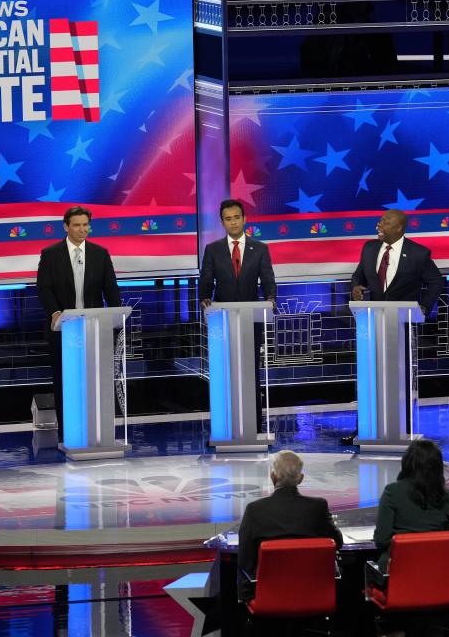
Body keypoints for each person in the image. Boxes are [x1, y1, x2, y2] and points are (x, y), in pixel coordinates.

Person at [342, 208, 443, 445]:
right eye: (379, 221)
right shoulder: (369, 249)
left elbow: (436, 281)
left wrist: (425, 307)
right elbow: (358, 277)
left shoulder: (418, 254)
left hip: (401, 326)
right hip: (372, 324)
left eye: (385, 222)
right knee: (369, 378)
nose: (379, 225)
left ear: (399, 228)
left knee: (402, 379)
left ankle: (403, 430)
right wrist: (356, 287)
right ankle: (364, 430)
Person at [37, 206, 121, 441]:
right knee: (65, 383)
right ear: (66, 226)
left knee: (95, 381)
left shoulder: (100, 253)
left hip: (94, 330)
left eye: (85, 225)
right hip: (62, 331)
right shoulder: (50, 254)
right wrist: (55, 312)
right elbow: (43, 288)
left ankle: (98, 433)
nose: (82, 229)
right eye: (76, 225)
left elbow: (111, 290)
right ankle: (69, 436)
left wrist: (115, 316)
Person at [198, 199, 277, 432]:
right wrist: (204, 298)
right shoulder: (213, 249)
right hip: (222, 321)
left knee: (251, 372)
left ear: (244, 219)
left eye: (236, 218)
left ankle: (254, 426)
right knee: (224, 371)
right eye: (228, 219)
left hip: (250, 321)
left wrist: (271, 299)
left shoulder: (260, 248)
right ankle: (224, 425)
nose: (233, 222)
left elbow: (268, 280)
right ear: (222, 222)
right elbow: (205, 281)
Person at [237, 450, 343, 602]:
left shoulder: (255, 510)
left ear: (273, 477)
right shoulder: (318, 507)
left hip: (268, 597)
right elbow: (337, 542)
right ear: (300, 479)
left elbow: (244, 559)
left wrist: (245, 596)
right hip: (314, 593)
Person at [373, 439, 449, 572]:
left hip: (398, 572)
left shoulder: (392, 492)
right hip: (437, 573)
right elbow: (445, 538)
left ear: (407, 463)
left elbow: (382, 540)